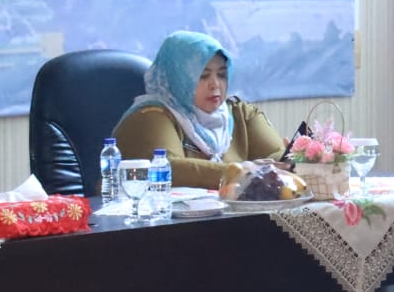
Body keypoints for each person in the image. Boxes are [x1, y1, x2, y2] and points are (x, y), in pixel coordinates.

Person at [113, 30, 289, 189]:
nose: (215, 84)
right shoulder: (151, 115)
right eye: (203, 76)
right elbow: (169, 167)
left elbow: (276, 157)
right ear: (178, 78)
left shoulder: (240, 113)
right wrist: (241, 171)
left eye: (221, 74)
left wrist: (296, 159)